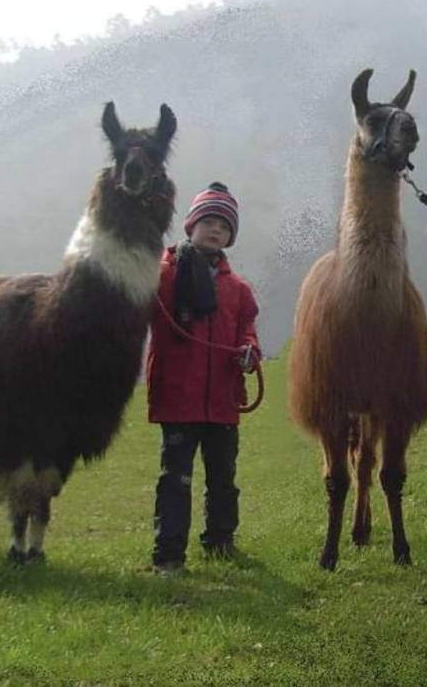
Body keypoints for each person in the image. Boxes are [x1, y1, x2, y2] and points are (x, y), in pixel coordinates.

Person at [146, 182, 261, 576]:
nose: (215, 230)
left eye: (224, 226)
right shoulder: (161, 277)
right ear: (190, 226)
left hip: (223, 401)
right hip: (179, 399)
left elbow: (247, 331)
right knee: (175, 480)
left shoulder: (239, 290)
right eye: (208, 221)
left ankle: (220, 542)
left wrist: (249, 353)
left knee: (223, 479)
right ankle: (168, 556)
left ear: (231, 236)